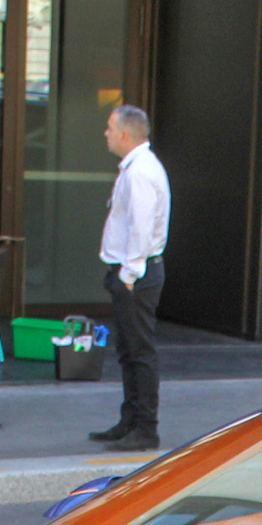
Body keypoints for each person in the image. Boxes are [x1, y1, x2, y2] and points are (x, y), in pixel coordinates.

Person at [91, 103, 168, 453]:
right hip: (132, 272)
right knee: (128, 350)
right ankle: (131, 421)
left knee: (139, 351)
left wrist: (129, 274)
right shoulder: (136, 167)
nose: (105, 133)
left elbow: (141, 225)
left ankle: (145, 428)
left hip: (136, 274)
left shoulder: (139, 172)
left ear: (124, 133)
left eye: (109, 127)